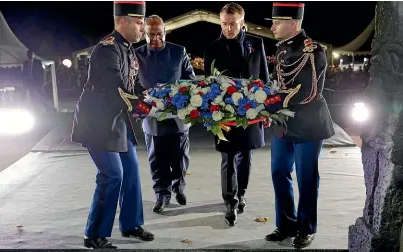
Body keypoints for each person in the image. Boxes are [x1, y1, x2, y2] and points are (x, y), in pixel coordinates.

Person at [71, 1, 154, 249]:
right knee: (111, 174)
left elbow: (135, 84)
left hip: (117, 119)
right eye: (139, 23)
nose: (143, 28)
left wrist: (156, 96)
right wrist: (147, 105)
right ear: (122, 22)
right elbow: (118, 88)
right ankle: (94, 234)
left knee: (130, 171)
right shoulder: (108, 48)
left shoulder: (127, 48)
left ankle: (130, 224)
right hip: (99, 121)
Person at [264, 2, 335, 249]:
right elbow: (278, 83)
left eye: (277, 22)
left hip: (307, 123)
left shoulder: (312, 51)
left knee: (306, 177)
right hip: (283, 123)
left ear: (293, 24)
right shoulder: (282, 48)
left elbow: (306, 92)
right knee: (278, 172)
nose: (272, 26)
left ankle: (306, 228)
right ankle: (285, 224)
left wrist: (265, 104)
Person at [204, 3, 269, 226]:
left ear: (242, 23)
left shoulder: (256, 43)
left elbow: (264, 78)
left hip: (250, 110)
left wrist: (267, 108)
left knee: (246, 155)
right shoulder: (212, 47)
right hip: (223, 113)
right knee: (228, 156)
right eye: (224, 24)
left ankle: (241, 193)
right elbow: (207, 83)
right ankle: (229, 202)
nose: (228, 29)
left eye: (233, 24)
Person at [135, 15, 196, 213]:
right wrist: (140, 94)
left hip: (177, 115)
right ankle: (162, 195)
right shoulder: (136, 54)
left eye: (159, 34)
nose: (155, 39)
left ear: (165, 32)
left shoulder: (179, 51)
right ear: (144, 34)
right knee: (157, 160)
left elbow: (190, 79)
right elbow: (131, 84)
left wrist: (180, 92)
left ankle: (179, 188)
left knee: (180, 158)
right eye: (150, 35)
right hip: (151, 117)